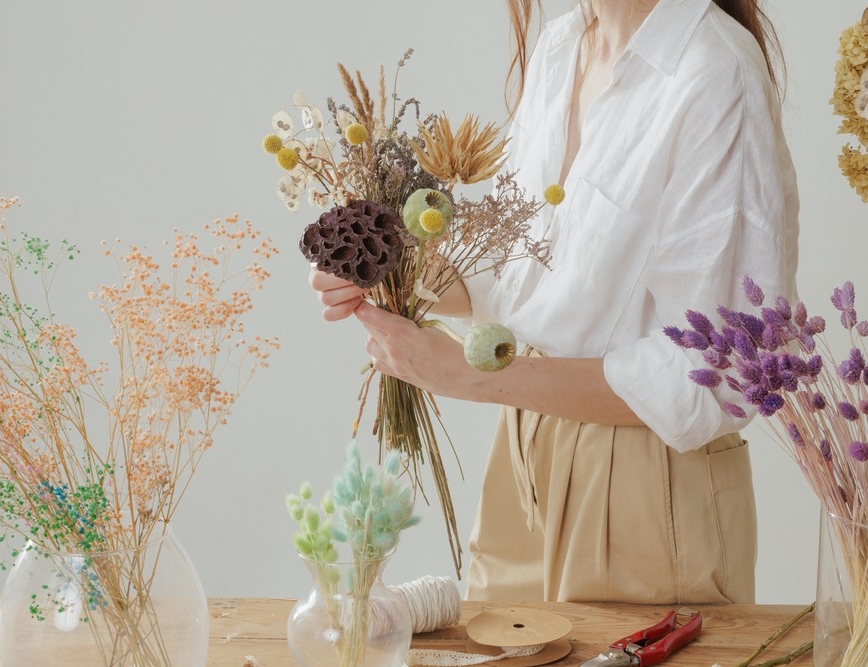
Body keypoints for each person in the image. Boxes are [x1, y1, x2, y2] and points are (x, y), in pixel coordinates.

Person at [310, 0, 798, 604]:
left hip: (648, 484)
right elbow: (523, 278)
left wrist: (470, 375)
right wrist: (383, 265)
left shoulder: (715, 72)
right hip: (521, 457)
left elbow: (712, 374)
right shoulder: (564, 47)